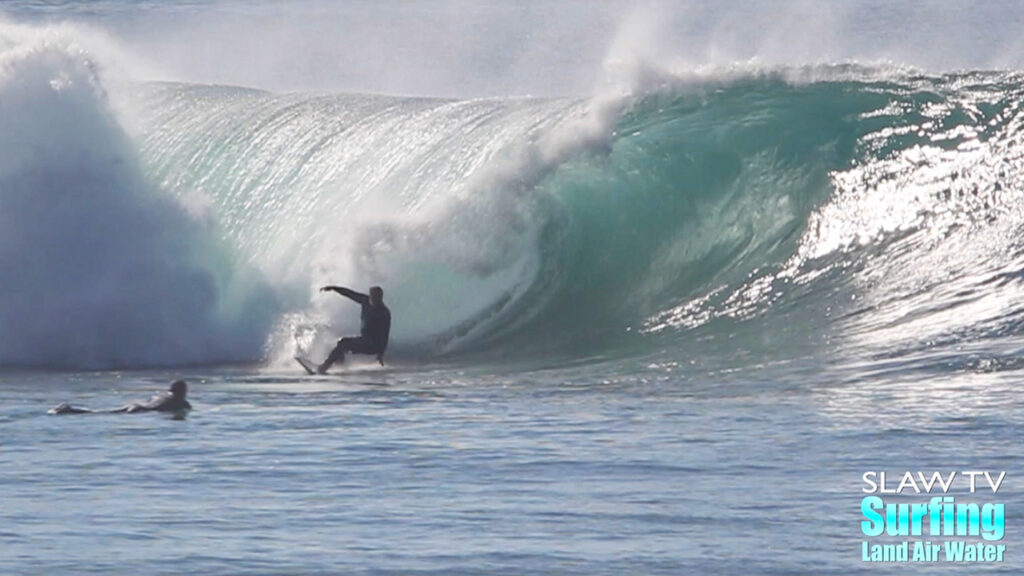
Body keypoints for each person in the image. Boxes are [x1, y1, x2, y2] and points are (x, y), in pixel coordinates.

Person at [317, 285, 391, 373]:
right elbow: (349, 293)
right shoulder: (365, 300)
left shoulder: (384, 313)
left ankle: (324, 367)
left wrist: (381, 353)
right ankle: (340, 366)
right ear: (370, 296)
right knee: (342, 343)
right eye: (374, 297)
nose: (376, 300)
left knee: (343, 345)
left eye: (378, 298)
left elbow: (385, 334)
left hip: (373, 345)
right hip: (364, 340)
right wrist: (333, 288)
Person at [49, 379, 192, 415]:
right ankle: (69, 411)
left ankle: (71, 410)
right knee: (102, 414)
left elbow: (153, 402)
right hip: (141, 410)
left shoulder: (160, 396)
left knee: (103, 413)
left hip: (137, 405)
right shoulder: (181, 402)